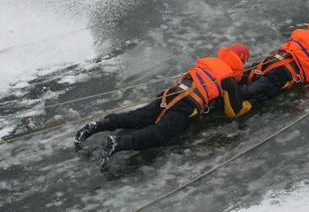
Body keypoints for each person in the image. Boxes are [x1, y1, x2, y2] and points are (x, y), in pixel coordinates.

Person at [74, 43, 253, 167]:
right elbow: (234, 111)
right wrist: (247, 105)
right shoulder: (228, 78)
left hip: (172, 92)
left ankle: (98, 126)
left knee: (139, 117)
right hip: (189, 105)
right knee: (160, 133)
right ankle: (118, 143)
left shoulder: (210, 63)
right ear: (241, 62)